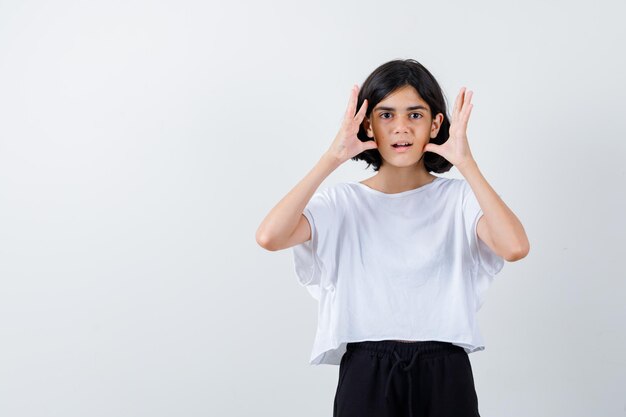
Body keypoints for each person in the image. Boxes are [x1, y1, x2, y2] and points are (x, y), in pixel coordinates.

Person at [255, 58, 530, 417]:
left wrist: (467, 164)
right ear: (367, 125)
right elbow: (269, 237)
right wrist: (332, 157)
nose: (401, 127)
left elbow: (515, 247)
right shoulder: (341, 203)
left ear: (436, 125)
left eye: (415, 115)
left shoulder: (459, 199)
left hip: (445, 368)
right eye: (386, 115)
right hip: (367, 369)